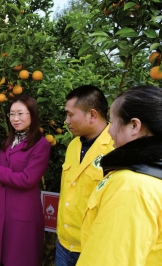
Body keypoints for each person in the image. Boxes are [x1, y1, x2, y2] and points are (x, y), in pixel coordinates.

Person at [77, 85, 162, 265]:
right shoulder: (152, 174)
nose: (108, 130)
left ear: (134, 126)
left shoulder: (132, 188)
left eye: (112, 122)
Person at [0, 95, 51, 266]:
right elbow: (2, 171)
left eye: (20, 113)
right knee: (5, 258)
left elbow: (27, 179)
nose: (15, 119)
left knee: (21, 259)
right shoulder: (8, 142)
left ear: (33, 115)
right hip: (4, 211)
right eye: (12, 114)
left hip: (24, 214)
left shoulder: (40, 145)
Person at [55, 85, 114, 265]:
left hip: (93, 246)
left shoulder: (115, 148)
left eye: (70, 114)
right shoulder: (74, 145)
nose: (66, 120)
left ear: (92, 115)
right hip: (64, 243)